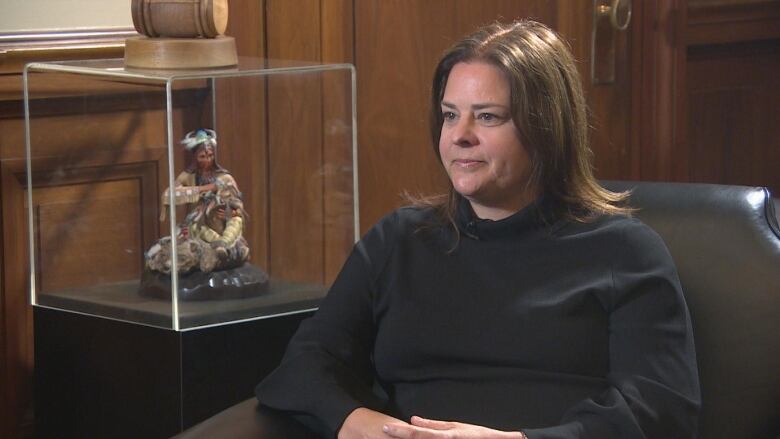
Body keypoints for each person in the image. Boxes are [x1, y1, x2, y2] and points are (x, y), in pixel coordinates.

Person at [255, 20, 700, 439]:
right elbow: (304, 365)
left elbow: (659, 410)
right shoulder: (399, 240)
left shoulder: (624, 251)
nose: (459, 136)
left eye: (487, 117)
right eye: (450, 115)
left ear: (545, 128)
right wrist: (357, 423)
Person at [146, 129, 249, 273]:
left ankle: (224, 245)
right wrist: (206, 188)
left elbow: (237, 203)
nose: (207, 160)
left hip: (222, 220)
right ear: (194, 157)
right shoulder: (188, 176)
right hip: (200, 221)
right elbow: (169, 194)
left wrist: (230, 212)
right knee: (197, 229)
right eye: (202, 156)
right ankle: (218, 247)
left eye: (210, 155)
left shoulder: (224, 177)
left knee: (236, 220)